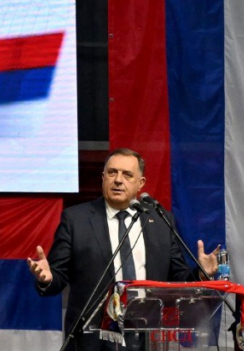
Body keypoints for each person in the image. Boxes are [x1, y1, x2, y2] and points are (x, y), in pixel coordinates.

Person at [27, 148, 219, 350]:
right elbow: (57, 278)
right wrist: (47, 279)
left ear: (140, 183)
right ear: (103, 177)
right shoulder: (76, 220)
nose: (118, 180)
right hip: (93, 340)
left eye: (127, 175)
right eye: (112, 173)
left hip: (147, 337)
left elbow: (178, 278)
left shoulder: (161, 221)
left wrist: (201, 274)